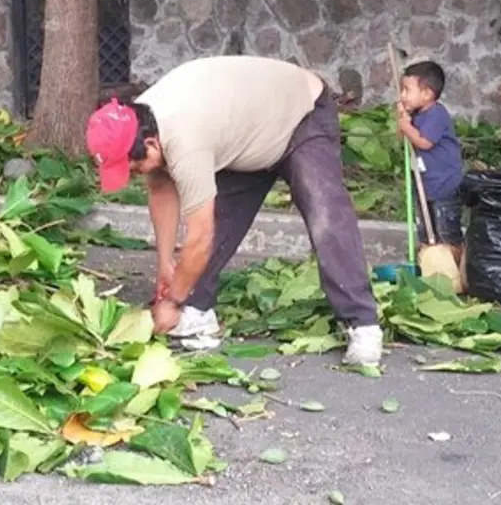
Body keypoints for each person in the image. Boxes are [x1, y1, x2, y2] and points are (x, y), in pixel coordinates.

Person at [85, 55, 383, 367]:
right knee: (220, 221)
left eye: (134, 168)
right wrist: (164, 265)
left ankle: (362, 323)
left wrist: (172, 299)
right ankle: (197, 313)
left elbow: (199, 237)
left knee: (326, 216)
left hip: (300, 116)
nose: (133, 174)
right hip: (247, 132)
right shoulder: (140, 119)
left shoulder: (186, 141)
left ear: (151, 145)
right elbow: (160, 188)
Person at [396, 60, 465, 260]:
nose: (402, 95)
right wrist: (402, 120)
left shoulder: (436, 114)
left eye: (407, 90)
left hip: (444, 185)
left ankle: (456, 270)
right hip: (424, 185)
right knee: (426, 232)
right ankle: (431, 268)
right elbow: (402, 137)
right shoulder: (415, 115)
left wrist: (407, 126)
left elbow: (425, 142)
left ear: (427, 93)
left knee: (446, 234)